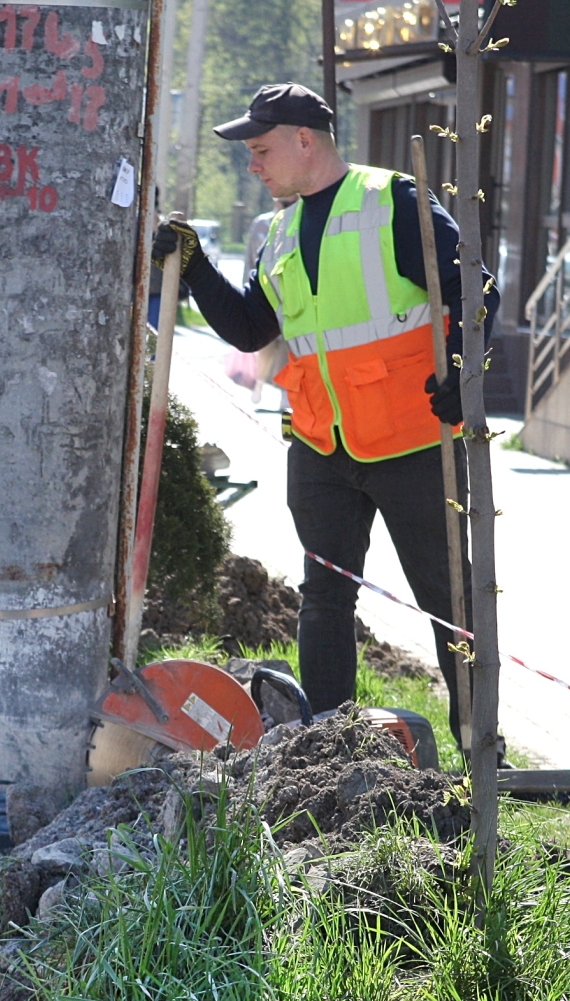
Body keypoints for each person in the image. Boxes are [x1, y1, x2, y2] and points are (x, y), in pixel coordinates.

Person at [157, 82, 493, 735]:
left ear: (305, 139)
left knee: (448, 598)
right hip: (321, 447)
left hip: (413, 441)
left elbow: (472, 287)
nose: (253, 165)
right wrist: (196, 267)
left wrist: (460, 369)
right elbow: (254, 328)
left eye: (261, 149)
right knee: (324, 601)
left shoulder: (390, 201)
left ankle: (480, 744)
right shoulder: (278, 231)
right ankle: (328, 743)